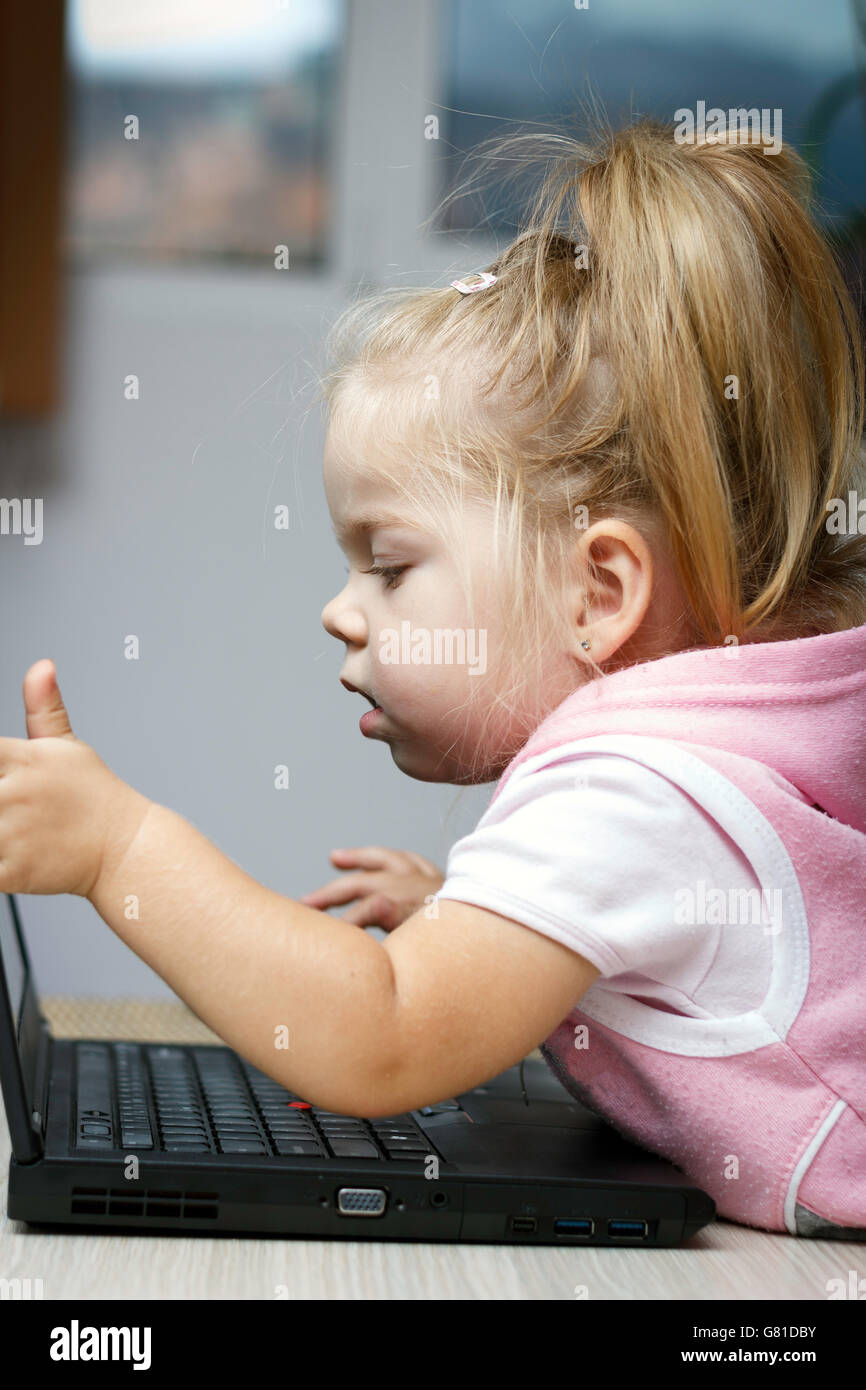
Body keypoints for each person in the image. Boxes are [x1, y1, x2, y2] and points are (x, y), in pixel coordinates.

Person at [4, 115, 865, 1237]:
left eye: (389, 563)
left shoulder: (634, 791)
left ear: (597, 594)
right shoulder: (697, 763)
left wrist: (117, 849)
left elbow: (381, 1036)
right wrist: (485, 929)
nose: (338, 609)